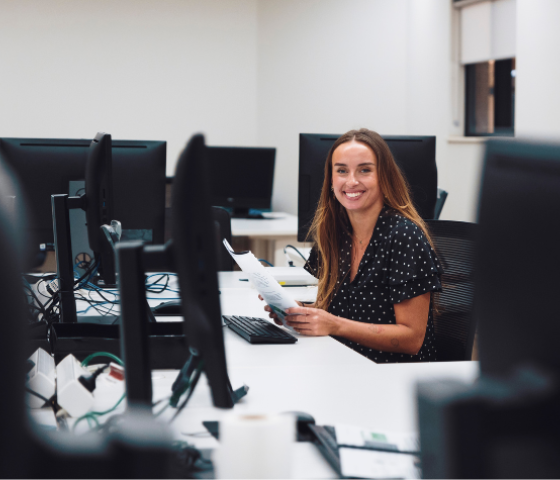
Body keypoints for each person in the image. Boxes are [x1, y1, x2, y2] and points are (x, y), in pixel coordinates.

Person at [264, 128, 442, 363]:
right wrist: (302, 313)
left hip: (392, 373)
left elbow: (412, 339)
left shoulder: (404, 236)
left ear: (384, 177)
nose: (351, 181)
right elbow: (348, 308)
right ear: (331, 179)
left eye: (365, 170)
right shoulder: (335, 231)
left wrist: (334, 325)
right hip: (345, 360)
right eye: (341, 171)